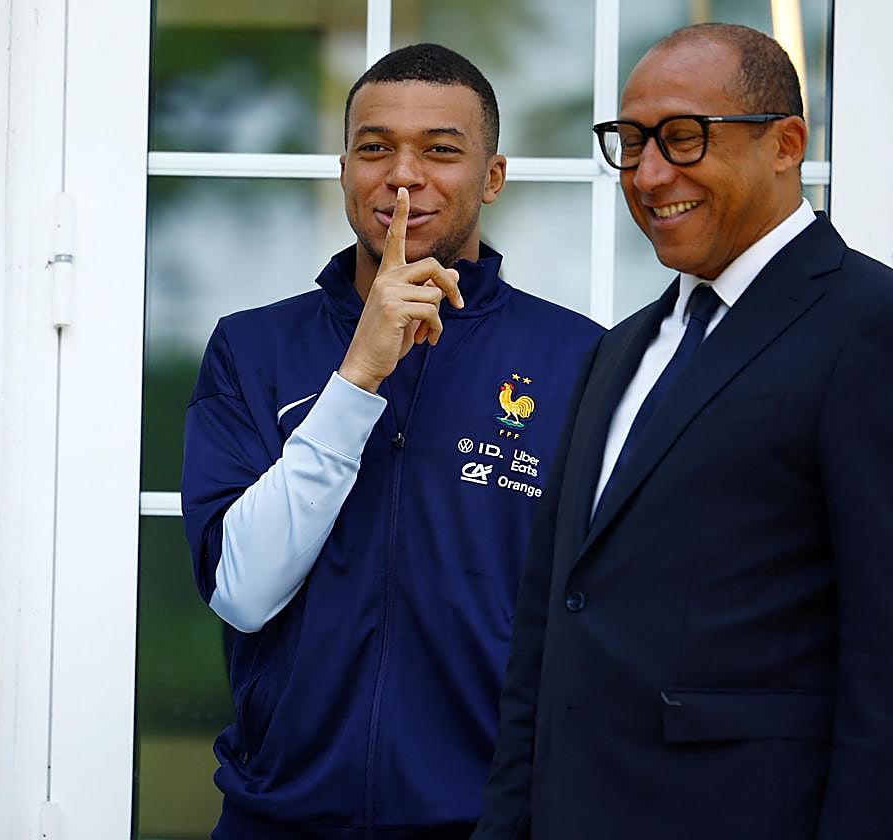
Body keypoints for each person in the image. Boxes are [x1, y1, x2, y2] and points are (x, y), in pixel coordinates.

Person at [474, 23, 893, 840]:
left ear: (786, 143)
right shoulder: (622, 348)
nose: (649, 173)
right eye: (630, 142)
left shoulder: (869, 328)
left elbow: (884, 664)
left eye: (683, 137)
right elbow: (549, 628)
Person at [181, 44, 603, 839]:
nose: (403, 175)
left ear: (493, 177)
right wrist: (356, 377)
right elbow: (239, 588)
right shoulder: (253, 348)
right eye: (375, 148)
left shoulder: (578, 359)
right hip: (280, 815)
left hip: (490, 820)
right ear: (344, 169)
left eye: (442, 151)